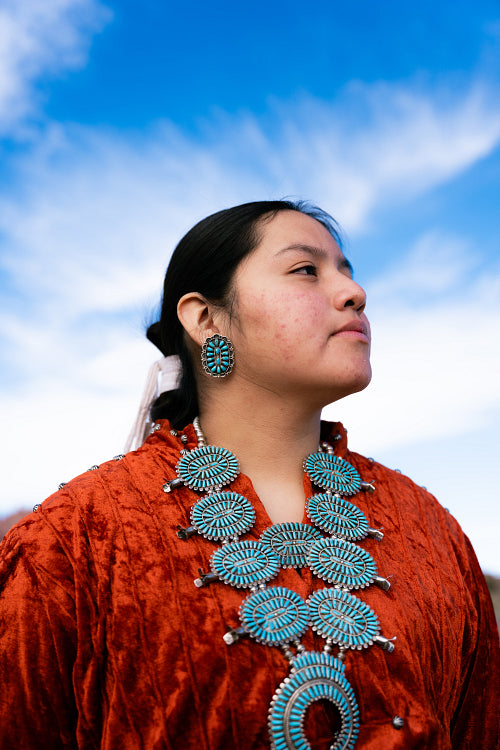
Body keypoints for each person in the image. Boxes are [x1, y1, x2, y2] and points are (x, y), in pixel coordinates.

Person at [0, 200, 498, 750]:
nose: (354, 293)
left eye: (347, 272)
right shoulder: (78, 534)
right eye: (306, 270)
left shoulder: (428, 530)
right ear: (205, 318)